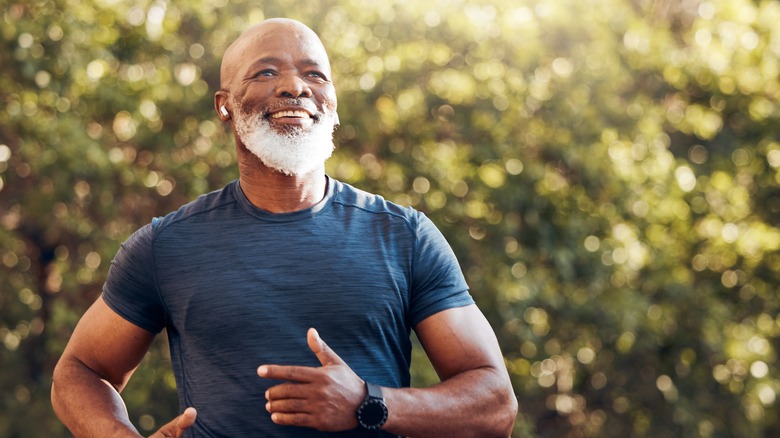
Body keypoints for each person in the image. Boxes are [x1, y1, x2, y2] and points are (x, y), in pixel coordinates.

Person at [51, 18, 518, 437]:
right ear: (224, 106)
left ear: (333, 104)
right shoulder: (166, 246)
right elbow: (79, 371)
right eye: (266, 72)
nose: (295, 86)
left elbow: (495, 405)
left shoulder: (405, 237)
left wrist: (368, 403)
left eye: (315, 74)